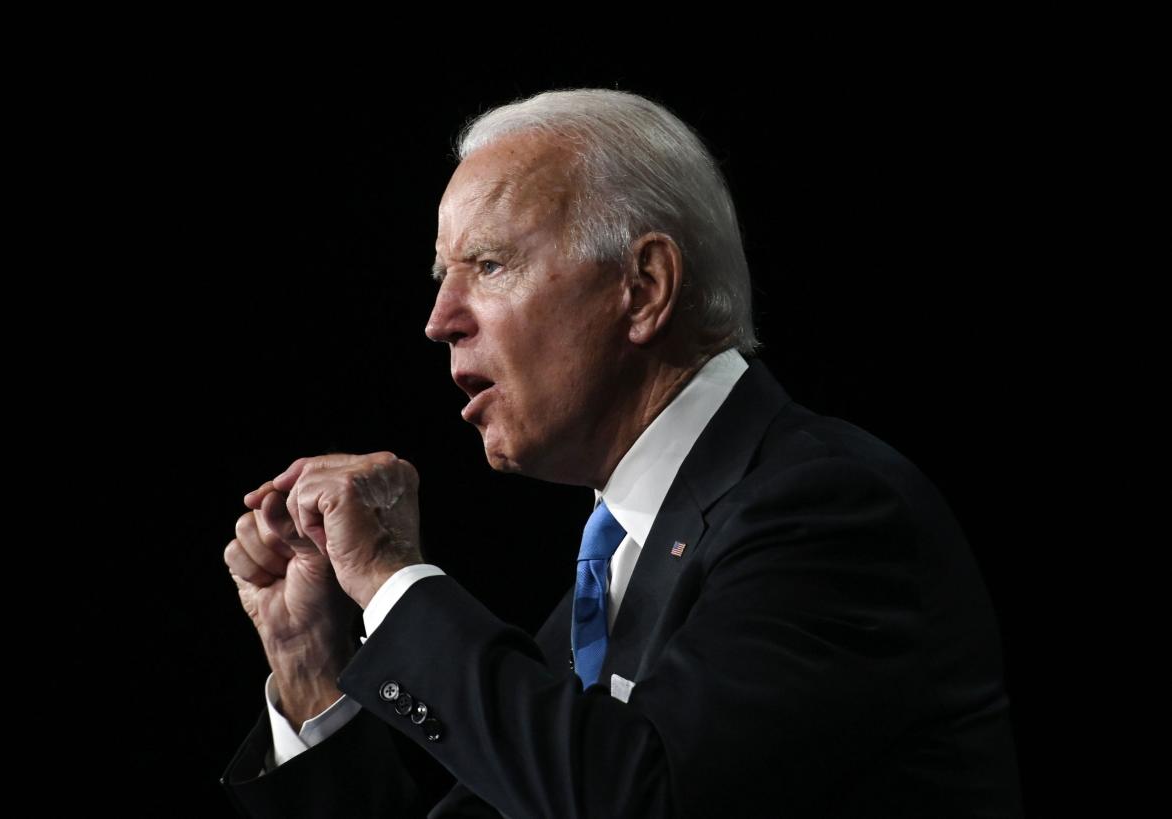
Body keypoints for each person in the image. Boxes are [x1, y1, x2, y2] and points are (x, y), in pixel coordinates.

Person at [220, 89, 1022, 817]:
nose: (440, 319)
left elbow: (637, 800)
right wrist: (311, 668)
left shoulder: (830, 513)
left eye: (489, 264)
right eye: (442, 277)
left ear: (643, 287)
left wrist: (391, 577)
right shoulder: (608, 579)